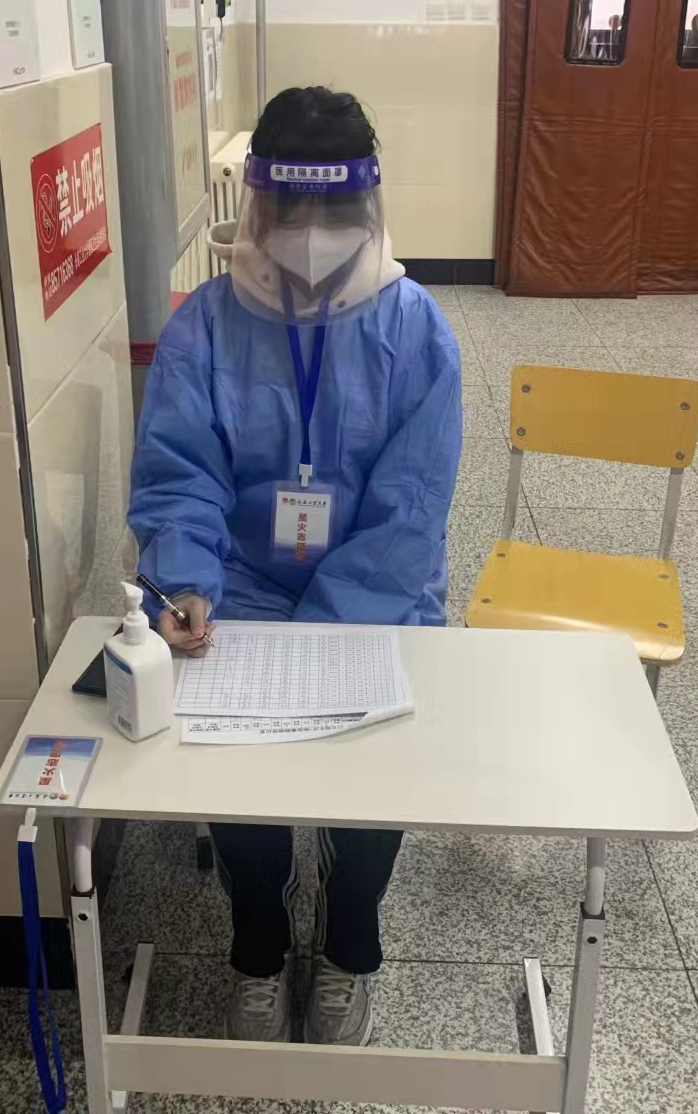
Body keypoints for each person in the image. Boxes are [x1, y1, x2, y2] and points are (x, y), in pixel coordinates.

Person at [128, 86, 462, 1046]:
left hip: (376, 596)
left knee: (373, 782)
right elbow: (180, 473)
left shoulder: (415, 330)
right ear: (259, 201)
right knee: (242, 783)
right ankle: (258, 946)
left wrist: (327, 630)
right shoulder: (204, 326)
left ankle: (351, 943)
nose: (312, 231)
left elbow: (409, 511)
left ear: (369, 203)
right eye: (294, 205)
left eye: (334, 206)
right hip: (240, 591)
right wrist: (185, 582)